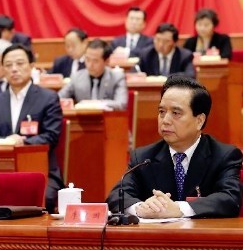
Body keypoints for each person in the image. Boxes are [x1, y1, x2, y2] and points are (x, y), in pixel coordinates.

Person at [106, 75, 242, 218]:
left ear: (199, 121)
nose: (165, 120)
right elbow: (116, 196)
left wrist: (178, 209)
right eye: (162, 112)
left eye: (176, 113)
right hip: (157, 238)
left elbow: (230, 199)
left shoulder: (224, 155)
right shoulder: (143, 157)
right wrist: (141, 208)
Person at [0, 44, 64, 213]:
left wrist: (23, 141)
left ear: (32, 66)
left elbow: (51, 135)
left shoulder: (48, 98)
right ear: (3, 69)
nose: (14, 69)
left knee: (43, 198)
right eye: (9, 65)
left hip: (40, 169)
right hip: (0, 171)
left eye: (20, 63)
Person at [58, 39, 128, 111]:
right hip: (82, 120)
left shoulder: (117, 77)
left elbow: (121, 104)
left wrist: (97, 104)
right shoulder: (76, 77)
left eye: (95, 61)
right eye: (87, 60)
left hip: (108, 120)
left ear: (106, 61)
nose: (90, 65)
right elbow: (59, 98)